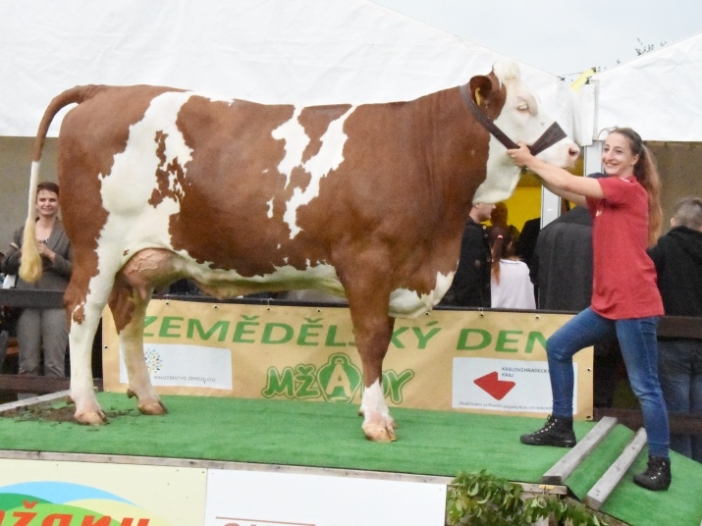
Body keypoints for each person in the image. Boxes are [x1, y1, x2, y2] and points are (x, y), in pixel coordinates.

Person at [508, 127, 671, 491]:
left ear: (635, 159)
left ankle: (661, 462)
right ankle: (562, 425)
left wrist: (530, 160)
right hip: (608, 305)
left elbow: (570, 182)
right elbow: (564, 188)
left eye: (618, 151)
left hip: (634, 306)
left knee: (645, 387)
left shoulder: (625, 189)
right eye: (606, 150)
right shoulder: (608, 197)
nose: (609, 156)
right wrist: (534, 168)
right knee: (558, 347)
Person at [648, 196, 702, 463]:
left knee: (676, 413)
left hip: (670, 341)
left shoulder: (661, 249)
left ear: (673, 222)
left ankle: (683, 474)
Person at [1, 181, 73, 380]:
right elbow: (5, 264)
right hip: (26, 304)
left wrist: (51, 255)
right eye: (42, 199)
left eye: (52, 200)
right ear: (35, 203)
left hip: (56, 303)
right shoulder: (23, 230)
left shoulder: (68, 232)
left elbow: (76, 270)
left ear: (59, 203)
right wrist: (25, 250)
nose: (47, 204)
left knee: (54, 364)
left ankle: (54, 409)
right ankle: (24, 409)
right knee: (27, 363)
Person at [441, 202, 494, 308]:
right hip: (464, 312)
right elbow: (467, 281)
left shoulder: (458, 227)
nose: (494, 206)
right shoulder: (470, 232)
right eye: (490, 201)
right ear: (477, 203)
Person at [488, 225, 535, 310]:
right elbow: (530, 302)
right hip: (519, 321)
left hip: (491, 320)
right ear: (510, 244)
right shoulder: (522, 268)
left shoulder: (485, 269)